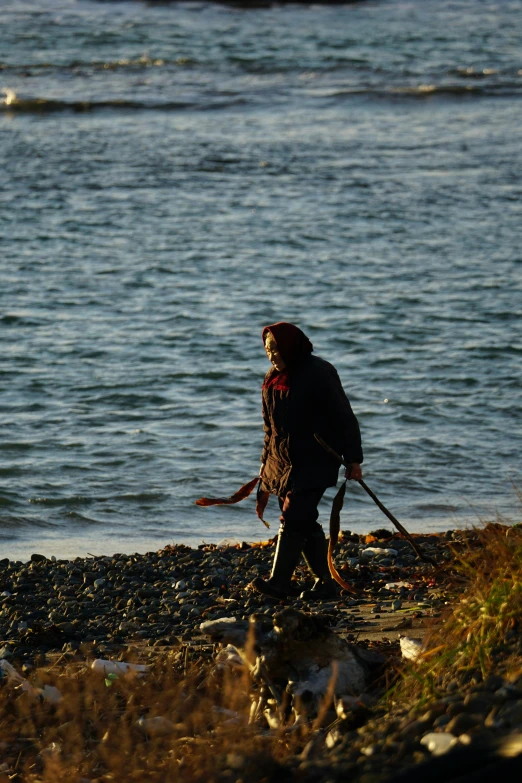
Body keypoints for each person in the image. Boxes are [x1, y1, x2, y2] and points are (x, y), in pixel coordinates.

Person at [252, 322, 363, 601]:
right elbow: (270, 428)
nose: (271, 355)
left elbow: (344, 418)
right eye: (267, 350)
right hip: (281, 463)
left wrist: (354, 460)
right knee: (304, 521)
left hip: (315, 460)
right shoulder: (272, 379)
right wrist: (265, 463)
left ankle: (278, 584)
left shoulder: (320, 373)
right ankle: (325, 584)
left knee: (292, 519)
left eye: (276, 349)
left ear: (291, 346)